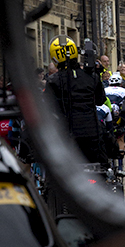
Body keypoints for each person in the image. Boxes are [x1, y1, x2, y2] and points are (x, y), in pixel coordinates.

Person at [46, 35, 107, 165]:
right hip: (92, 133)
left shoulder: (53, 80)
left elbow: (48, 107)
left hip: (66, 136)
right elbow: (100, 100)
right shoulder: (92, 77)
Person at [104, 73, 125, 175]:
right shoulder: (124, 91)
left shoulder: (104, 90)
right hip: (118, 117)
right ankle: (120, 166)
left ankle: (107, 165)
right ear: (121, 83)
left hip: (106, 116)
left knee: (106, 137)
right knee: (120, 138)